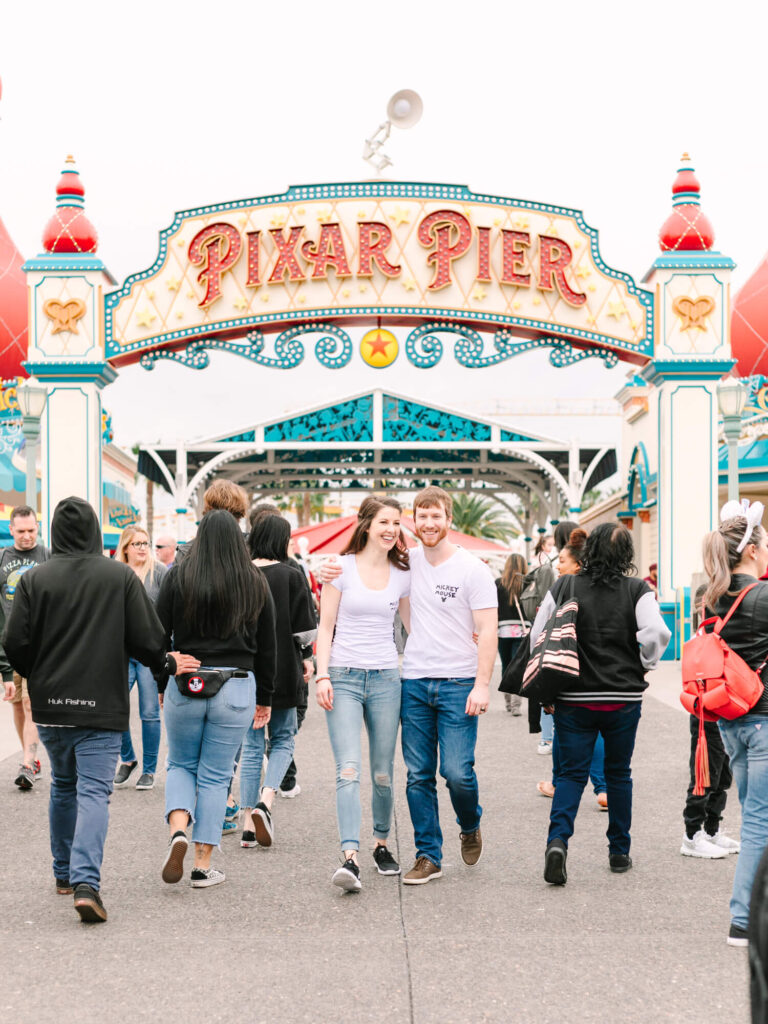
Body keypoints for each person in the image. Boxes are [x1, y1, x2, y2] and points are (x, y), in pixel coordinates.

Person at [2, 496, 198, 923]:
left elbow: (14, 641)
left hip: (51, 706)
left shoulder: (36, 580)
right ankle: (87, 882)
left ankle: (62, 874)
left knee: (63, 786)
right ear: (94, 531)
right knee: (94, 791)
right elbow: (148, 638)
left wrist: (35, 670)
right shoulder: (118, 577)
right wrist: (165, 664)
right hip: (101, 705)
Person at [534, 522, 670, 886]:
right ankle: (619, 852)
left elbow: (539, 631)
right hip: (622, 698)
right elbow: (657, 632)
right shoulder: (637, 590)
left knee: (571, 774)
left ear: (589, 550)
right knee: (618, 772)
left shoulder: (565, 585)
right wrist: (645, 662)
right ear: (627, 555)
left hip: (574, 696)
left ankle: (558, 842)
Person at [156, 509, 276, 890]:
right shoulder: (254, 581)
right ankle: (202, 865)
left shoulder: (179, 576)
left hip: (188, 682)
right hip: (238, 685)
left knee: (179, 764)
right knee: (216, 775)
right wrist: (266, 697)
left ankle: (178, 830)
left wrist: (166, 673)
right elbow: (268, 647)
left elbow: (157, 634)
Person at [315, 495, 410, 891]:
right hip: (344, 676)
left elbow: (415, 627)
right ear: (367, 524)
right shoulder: (341, 568)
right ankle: (350, 857)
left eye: (396, 523)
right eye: (385, 522)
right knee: (348, 770)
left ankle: (381, 843)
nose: (392, 530)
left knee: (383, 773)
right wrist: (322, 676)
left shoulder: (403, 573)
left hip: (388, 678)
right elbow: (325, 627)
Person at [700, 501, 768, 946]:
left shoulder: (710, 598)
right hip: (764, 723)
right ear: (752, 551)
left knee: (754, 818)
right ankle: (742, 920)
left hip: (732, 723)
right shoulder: (763, 597)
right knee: (759, 822)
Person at [240, 513, 316, 849]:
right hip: (284, 668)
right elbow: (304, 629)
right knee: (283, 738)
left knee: (252, 746)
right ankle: (266, 801)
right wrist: (308, 657)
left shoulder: (240, 575)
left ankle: (245, 824)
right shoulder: (290, 574)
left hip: (247, 671)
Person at [536, 529, 608, 811]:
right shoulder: (606, 585)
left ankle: (558, 783)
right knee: (598, 728)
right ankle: (602, 789)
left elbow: (539, 630)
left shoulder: (564, 586)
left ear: (577, 564)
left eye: (563, 560)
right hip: (600, 669)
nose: (558, 564)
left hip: (565, 665)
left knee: (565, 726)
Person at [679, 580, 738, 861]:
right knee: (705, 774)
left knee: (723, 774)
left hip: (725, 707)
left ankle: (712, 829)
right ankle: (692, 834)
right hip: (707, 710)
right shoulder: (706, 636)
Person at [113, 525, 167, 790]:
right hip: (120, 652)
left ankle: (148, 770)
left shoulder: (159, 573)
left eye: (147, 543)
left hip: (149, 653)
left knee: (149, 713)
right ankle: (127, 759)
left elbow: (169, 611)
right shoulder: (115, 573)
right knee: (115, 707)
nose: (144, 548)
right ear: (125, 547)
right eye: (137, 544)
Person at [1, 505, 50, 790]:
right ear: (11, 530)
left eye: (32, 530)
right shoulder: (2, 559)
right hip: (11, 646)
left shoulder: (46, 556)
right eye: (21, 531)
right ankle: (28, 757)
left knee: (32, 704)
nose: (27, 536)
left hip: (40, 646)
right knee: (18, 705)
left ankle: (28, 763)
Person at [495, 553, 528, 716]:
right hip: (523, 630)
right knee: (518, 667)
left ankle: (508, 702)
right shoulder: (528, 583)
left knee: (506, 666)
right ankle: (516, 704)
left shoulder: (498, 583)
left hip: (503, 631)